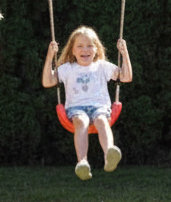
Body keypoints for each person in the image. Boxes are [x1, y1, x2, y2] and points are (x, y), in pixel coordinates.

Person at [42, 27, 133, 179]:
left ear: (96, 49)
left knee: (101, 120)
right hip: (76, 109)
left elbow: (126, 77)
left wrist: (124, 53)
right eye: (80, 46)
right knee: (82, 121)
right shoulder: (67, 69)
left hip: (100, 107)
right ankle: (82, 162)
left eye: (90, 45)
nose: (85, 49)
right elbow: (47, 81)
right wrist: (50, 56)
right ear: (72, 50)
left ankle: (109, 152)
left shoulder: (102, 66)